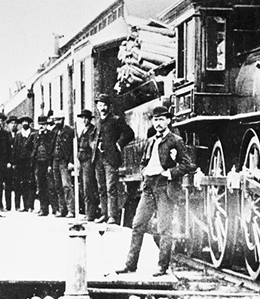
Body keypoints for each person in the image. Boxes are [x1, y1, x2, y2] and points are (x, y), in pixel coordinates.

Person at [116, 106, 194, 276]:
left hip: (164, 187)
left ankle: (162, 266)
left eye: (161, 119)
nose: (158, 123)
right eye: (155, 120)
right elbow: (144, 161)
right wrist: (143, 172)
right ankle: (130, 265)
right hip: (149, 186)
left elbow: (188, 164)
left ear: (168, 121)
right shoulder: (151, 141)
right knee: (137, 225)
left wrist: (170, 173)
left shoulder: (176, 141)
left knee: (164, 228)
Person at [94, 93, 134, 224]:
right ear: (97, 107)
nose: (102, 108)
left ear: (109, 106)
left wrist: (118, 144)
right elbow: (93, 137)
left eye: (104, 105)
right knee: (101, 188)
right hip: (98, 158)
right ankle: (104, 214)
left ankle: (112, 216)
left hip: (110, 159)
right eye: (100, 105)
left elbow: (129, 133)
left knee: (111, 187)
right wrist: (94, 145)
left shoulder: (116, 119)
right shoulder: (98, 122)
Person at [76, 109, 99, 222]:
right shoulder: (83, 130)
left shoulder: (92, 130)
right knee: (82, 187)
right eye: (83, 118)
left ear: (90, 119)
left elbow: (91, 145)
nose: (84, 120)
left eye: (86, 118)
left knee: (88, 187)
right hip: (82, 161)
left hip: (88, 161)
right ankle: (87, 212)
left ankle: (90, 214)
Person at [50, 113, 75, 218]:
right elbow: (50, 148)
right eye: (55, 120)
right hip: (55, 161)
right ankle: (62, 209)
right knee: (58, 186)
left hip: (64, 161)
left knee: (66, 185)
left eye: (59, 120)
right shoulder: (54, 131)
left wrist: (71, 161)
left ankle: (71, 210)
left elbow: (74, 147)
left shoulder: (69, 131)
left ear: (63, 119)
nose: (57, 122)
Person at [32, 115, 56, 216]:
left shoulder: (51, 134)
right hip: (38, 162)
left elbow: (52, 147)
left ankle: (55, 209)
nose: (42, 126)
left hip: (48, 162)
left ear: (47, 125)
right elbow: (27, 146)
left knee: (51, 186)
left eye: (44, 124)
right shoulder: (35, 135)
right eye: (40, 125)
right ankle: (43, 209)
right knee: (41, 186)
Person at [11, 116, 36, 211]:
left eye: (27, 122)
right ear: (21, 124)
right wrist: (14, 162)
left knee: (30, 184)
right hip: (19, 163)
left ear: (29, 123)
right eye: (23, 122)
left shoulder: (33, 133)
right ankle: (17, 205)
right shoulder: (18, 135)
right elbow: (15, 149)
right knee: (18, 184)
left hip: (30, 163)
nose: (25, 124)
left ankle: (29, 206)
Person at [0, 112, 12, 211]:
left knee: (4, 184)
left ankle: (5, 205)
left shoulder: (5, 134)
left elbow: (9, 149)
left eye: (1, 121)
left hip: (4, 162)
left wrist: (9, 161)